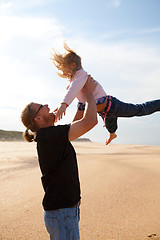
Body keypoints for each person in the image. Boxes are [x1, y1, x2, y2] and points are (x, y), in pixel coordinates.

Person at [20, 76, 97, 240]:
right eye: (42, 106)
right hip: (62, 212)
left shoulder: (49, 136)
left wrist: (81, 103)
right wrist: (90, 93)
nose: (47, 105)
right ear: (38, 119)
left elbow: (77, 126)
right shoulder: (48, 135)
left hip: (65, 210)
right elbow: (90, 121)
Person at [51, 43, 160, 145]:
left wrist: (64, 104)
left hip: (112, 106)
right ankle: (112, 135)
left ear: (73, 65)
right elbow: (76, 96)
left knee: (139, 110)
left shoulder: (81, 75)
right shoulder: (75, 80)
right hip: (104, 112)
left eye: (63, 69)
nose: (63, 73)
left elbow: (72, 91)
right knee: (110, 127)